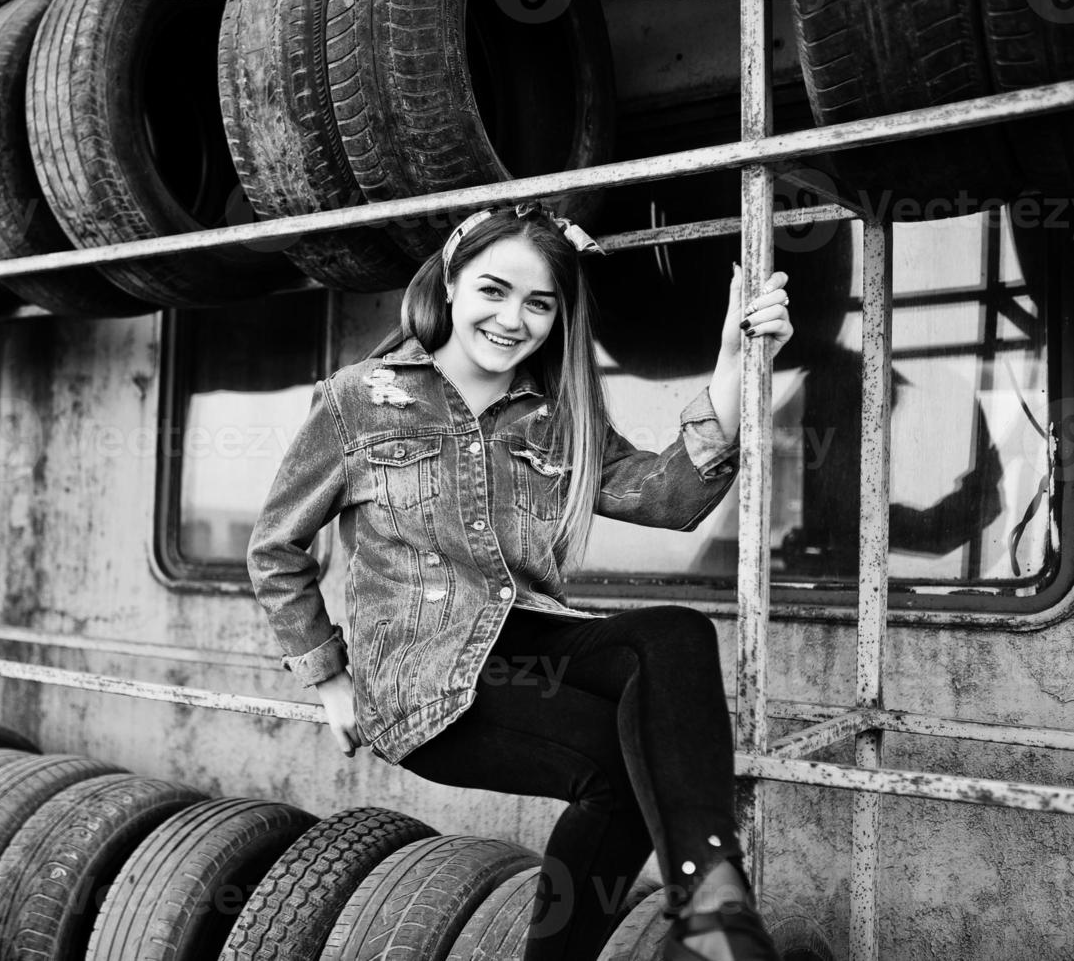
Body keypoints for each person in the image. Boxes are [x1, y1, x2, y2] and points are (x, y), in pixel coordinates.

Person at [246, 201, 793, 961]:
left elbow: (667, 497)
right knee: (622, 768)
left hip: (524, 644)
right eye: (493, 291)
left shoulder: (552, 414)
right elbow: (276, 547)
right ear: (448, 286)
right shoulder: (358, 399)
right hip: (423, 682)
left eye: (539, 303)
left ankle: (710, 904)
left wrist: (736, 360)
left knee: (672, 640)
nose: (513, 319)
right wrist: (328, 676)